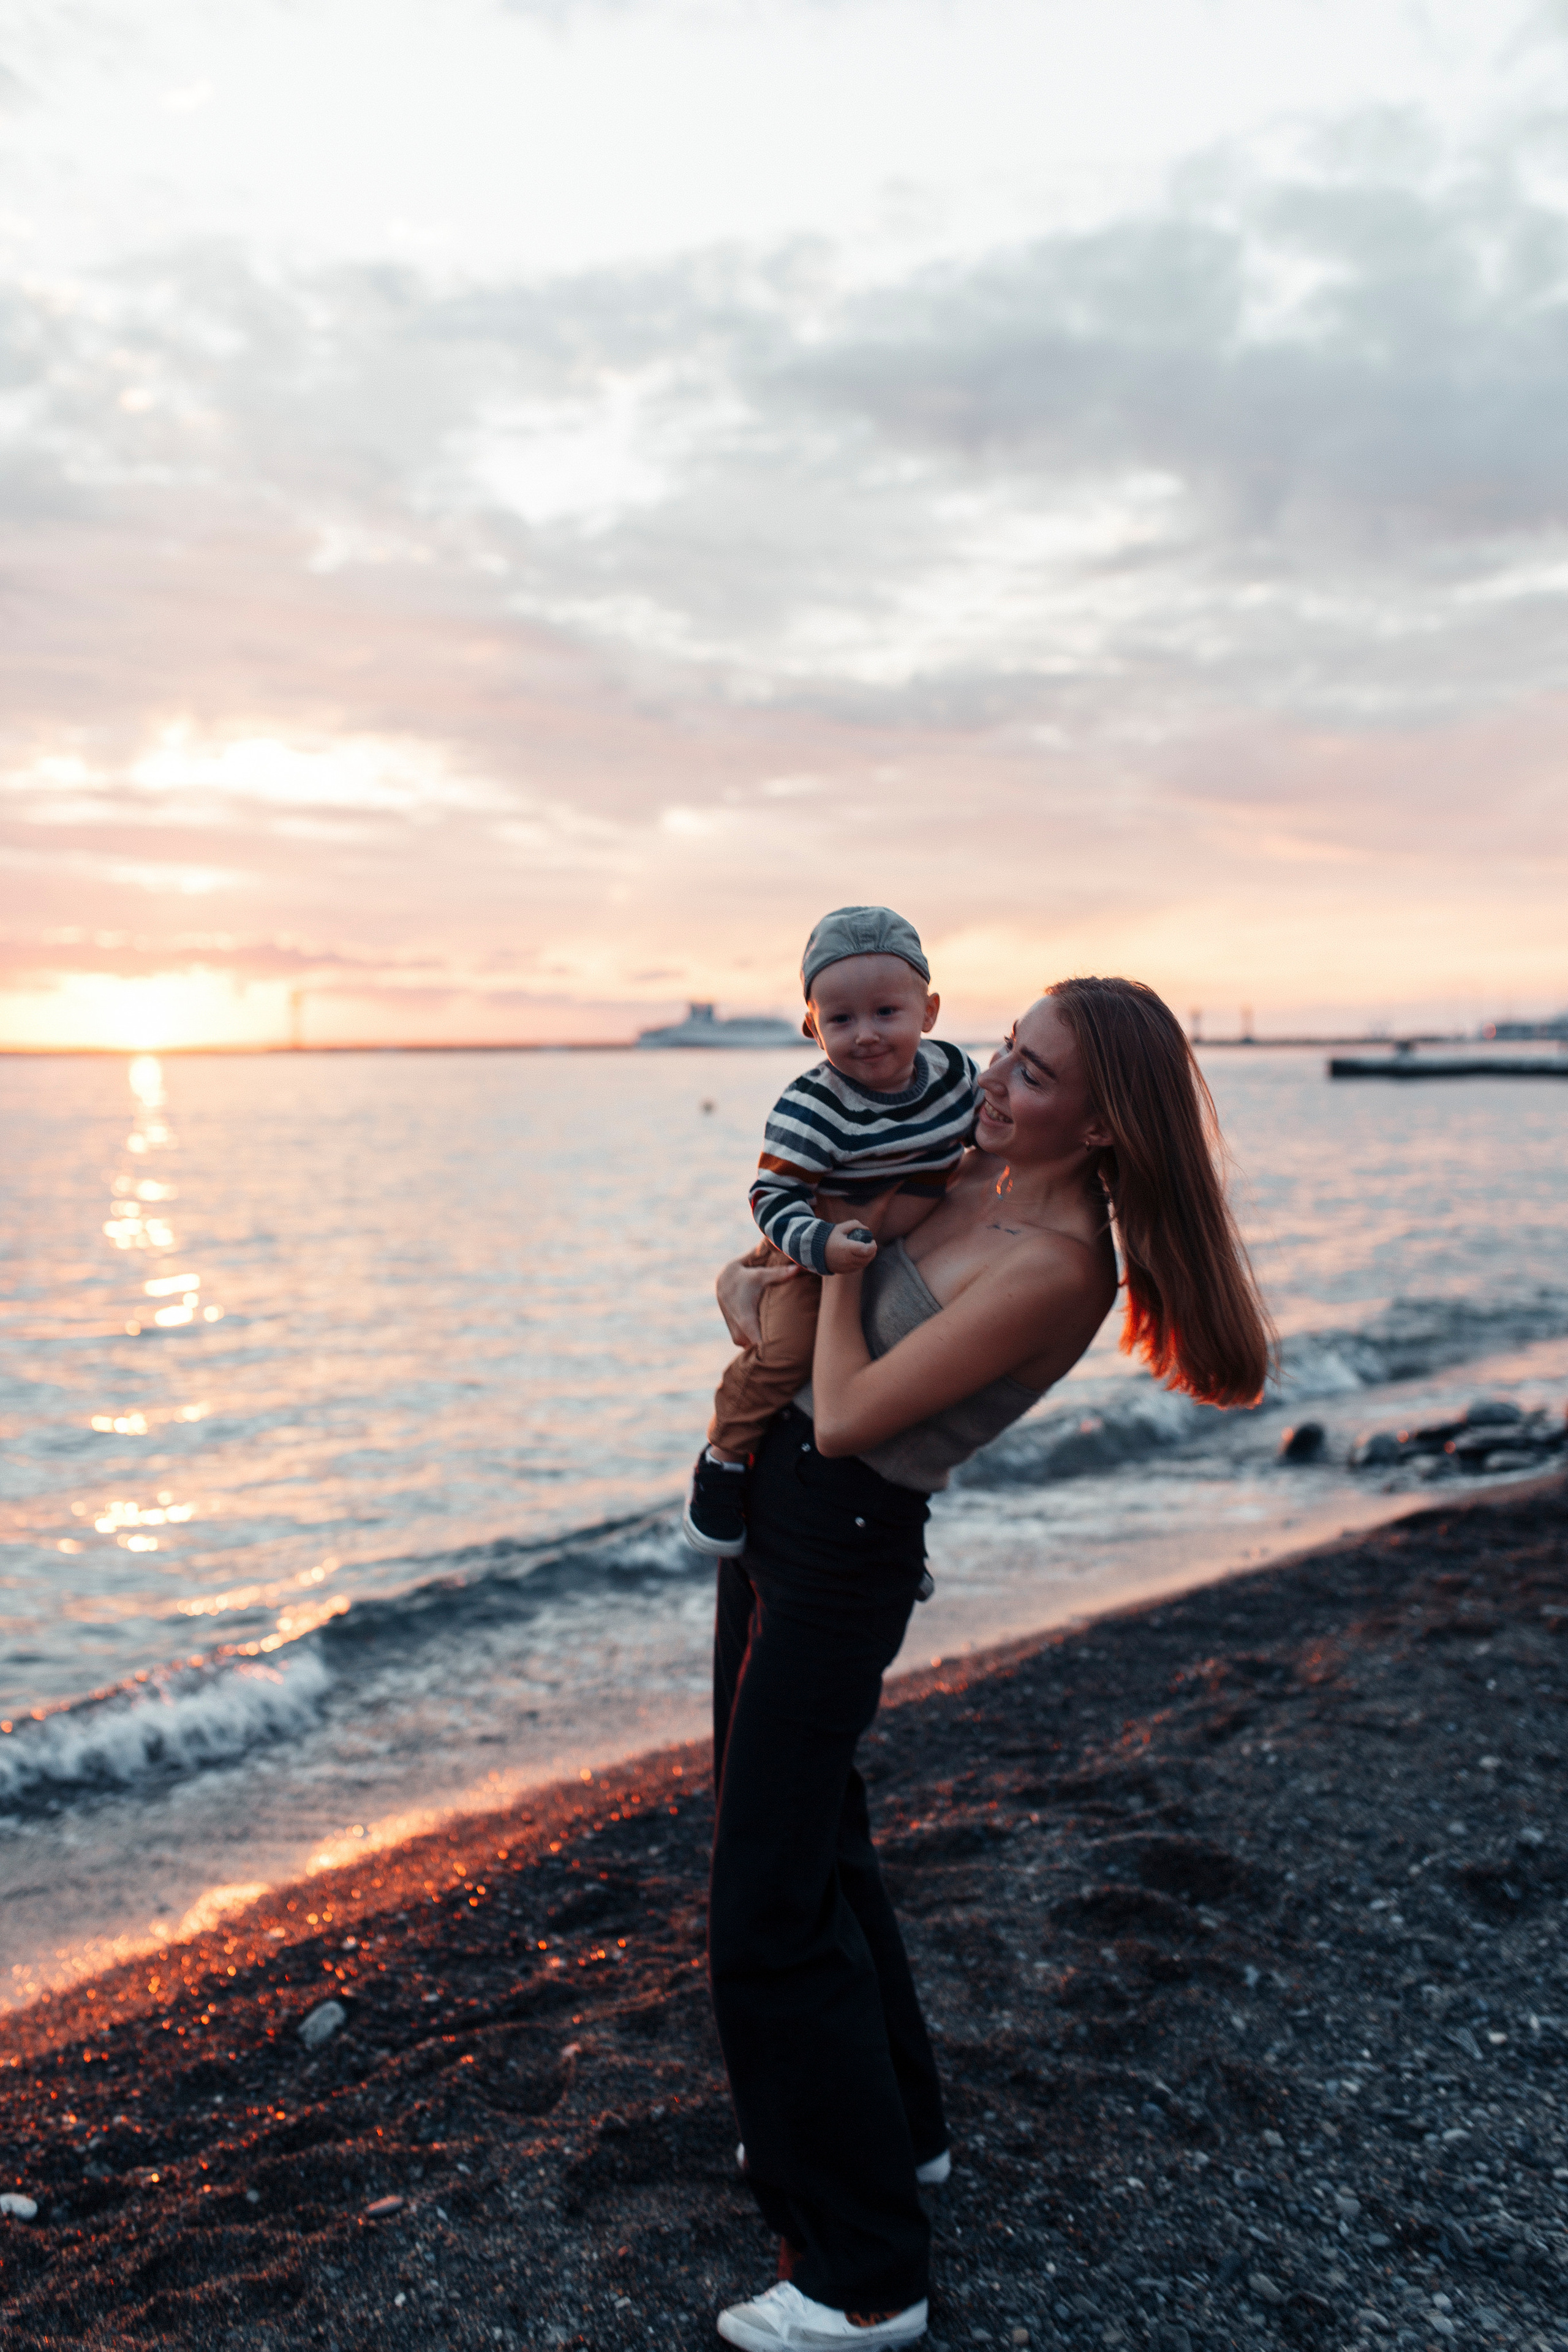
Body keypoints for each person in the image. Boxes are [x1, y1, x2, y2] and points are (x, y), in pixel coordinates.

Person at [703, 976, 1273, 2352]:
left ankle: (863, 2277)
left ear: (1099, 1126)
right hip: (775, 1524)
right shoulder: (973, 1160)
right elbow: (811, 1160)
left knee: (762, 1903)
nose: (995, 1079)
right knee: (816, 1842)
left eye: (1031, 1073)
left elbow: (842, 1418)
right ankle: (900, 2139)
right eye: (1006, 1049)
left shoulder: (1058, 1265)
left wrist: (829, 1268)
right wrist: (819, 1234)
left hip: (841, 1539)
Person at [684, 906, 979, 1559]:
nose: (865, 1035)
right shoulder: (811, 1106)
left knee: (898, 1365)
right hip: (812, 1253)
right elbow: (772, 1193)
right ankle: (722, 1459)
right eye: (840, 1020)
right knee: (784, 1354)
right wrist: (821, 1244)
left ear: (927, 1013)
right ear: (811, 1026)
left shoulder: (955, 1076)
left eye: (886, 1013)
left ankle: (887, 1530)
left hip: (897, 1244)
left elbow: (987, 1130)